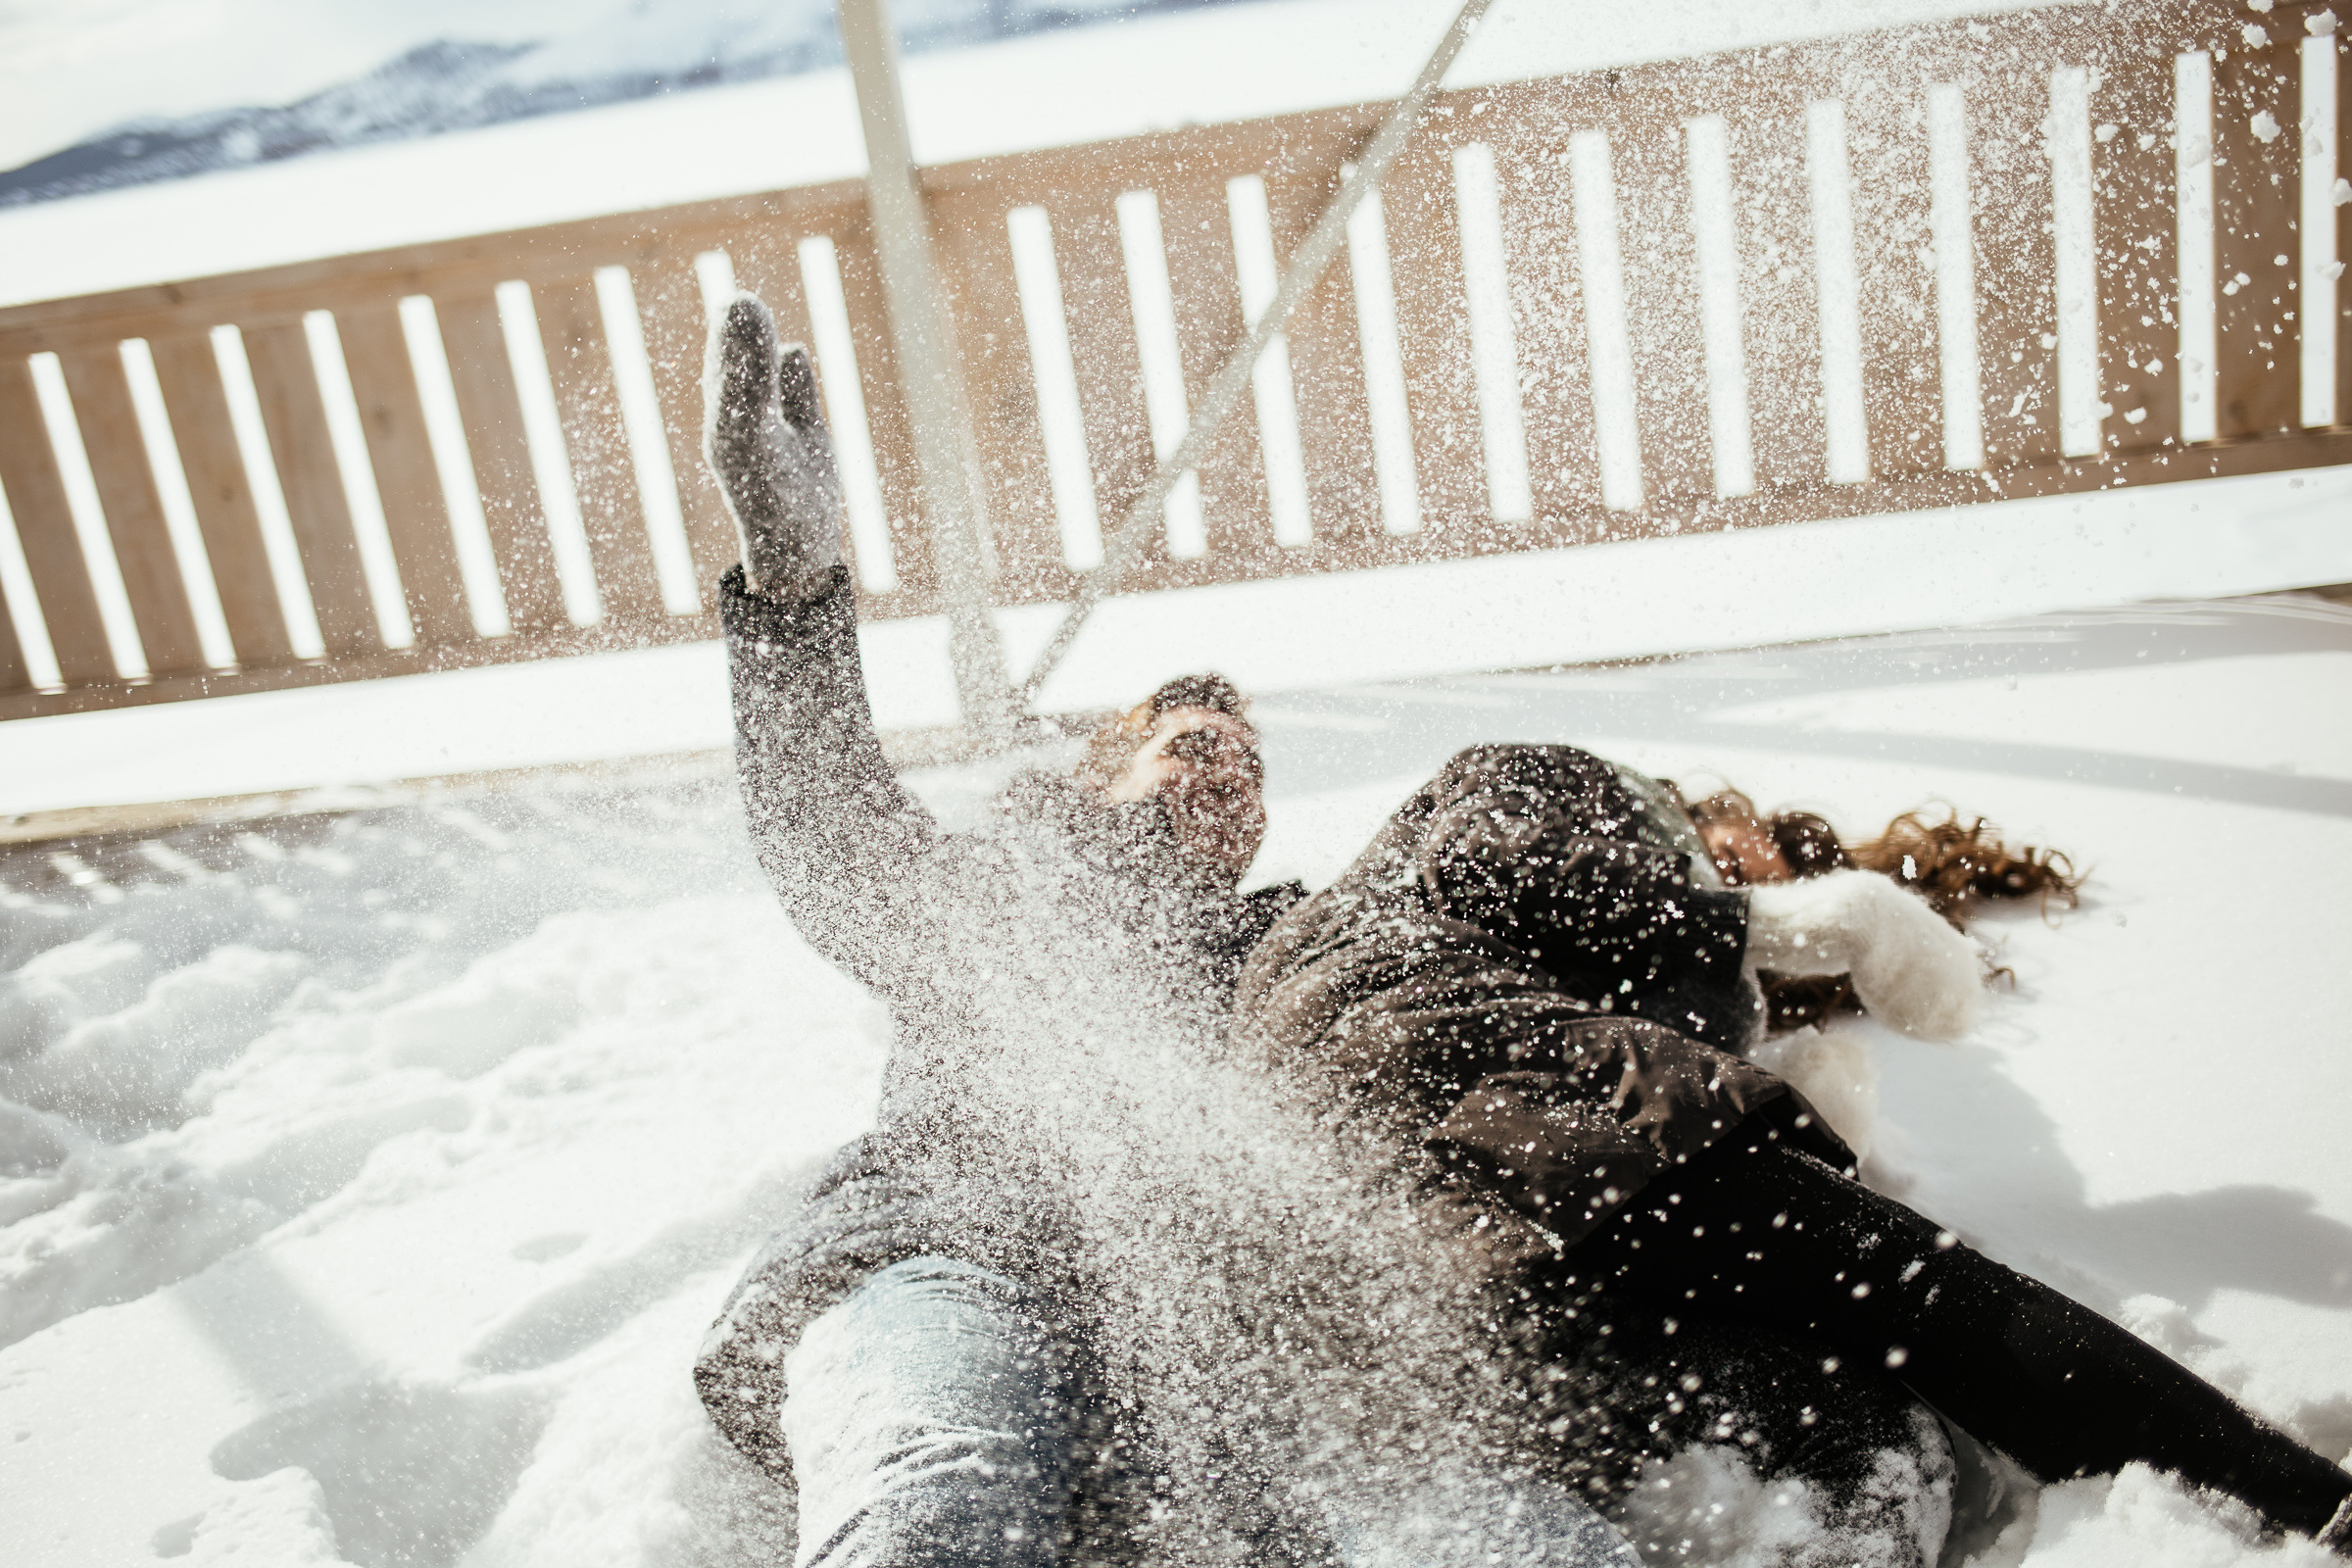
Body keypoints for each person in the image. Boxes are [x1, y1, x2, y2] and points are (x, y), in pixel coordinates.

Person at [689, 292, 1638, 1568]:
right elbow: (832, 841)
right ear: (1107, 773)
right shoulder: (1009, 890)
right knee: (942, 1510)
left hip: (1217, 1326)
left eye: (1249, 769)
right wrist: (796, 593)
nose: (1227, 778)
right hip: (955, 1261)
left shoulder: (1297, 942)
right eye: (1195, 748)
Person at [1232, 742, 2352, 1561]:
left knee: (1866, 1453)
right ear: (1710, 811)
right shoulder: (1558, 778)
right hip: (1454, 1089)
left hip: (1430, 1264)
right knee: (1922, 1296)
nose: (1751, 879)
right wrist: (1794, 922)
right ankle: (2315, 1507)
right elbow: (1502, 870)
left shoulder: (1643, 962)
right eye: (1753, 858)